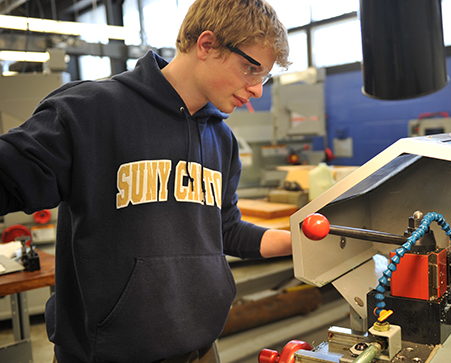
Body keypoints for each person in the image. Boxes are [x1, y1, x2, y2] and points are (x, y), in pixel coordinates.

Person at [0, 0, 292, 362]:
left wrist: (294, 243)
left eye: (263, 76)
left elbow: (224, 229)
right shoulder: (91, 111)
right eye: (251, 69)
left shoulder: (222, 140)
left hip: (201, 349)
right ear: (206, 45)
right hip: (108, 354)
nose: (257, 89)